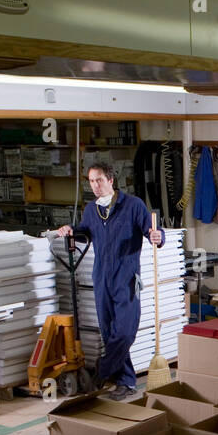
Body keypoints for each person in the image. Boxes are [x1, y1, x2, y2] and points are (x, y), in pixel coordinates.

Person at [58, 162, 163, 400]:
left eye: (99, 180)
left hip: (126, 278)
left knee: (125, 332)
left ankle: (103, 370)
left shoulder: (133, 205)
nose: (95, 186)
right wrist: (70, 230)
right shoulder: (90, 210)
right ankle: (125, 382)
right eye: (91, 181)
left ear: (111, 181)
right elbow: (84, 232)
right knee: (109, 331)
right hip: (101, 277)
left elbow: (151, 230)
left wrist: (158, 236)